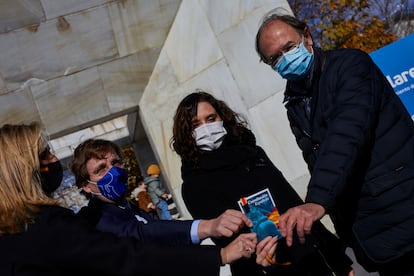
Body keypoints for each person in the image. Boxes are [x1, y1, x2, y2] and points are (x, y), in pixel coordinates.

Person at [255, 10, 414, 275]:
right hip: (372, 230)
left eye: (289, 47)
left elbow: (347, 133)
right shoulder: (294, 102)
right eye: (275, 58)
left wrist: (317, 200)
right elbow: (316, 161)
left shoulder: (350, 66)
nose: (285, 59)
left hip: (402, 211)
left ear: (307, 36)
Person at [0, 122, 257, 276]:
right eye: (44, 155)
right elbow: (131, 251)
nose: (54, 161)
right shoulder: (71, 223)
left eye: (115, 163)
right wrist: (216, 248)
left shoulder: (20, 231)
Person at [170, 91, 353, 276]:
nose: (206, 128)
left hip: (307, 258)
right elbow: (228, 244)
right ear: (187, 133)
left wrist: (338, 259)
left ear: (221, 118)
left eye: (210, 118)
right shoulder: (194, 184)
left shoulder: (253, 153)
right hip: (262, 268)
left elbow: (294, 203)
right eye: (196, 124)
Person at [70, 138, 254, 247]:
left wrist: (223, 253)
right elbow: (142, 234)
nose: (113, 172)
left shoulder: (130, 208)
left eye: (116, 163)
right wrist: (208, 226)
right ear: (86, 185)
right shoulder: (93, 219)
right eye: (101, 169)